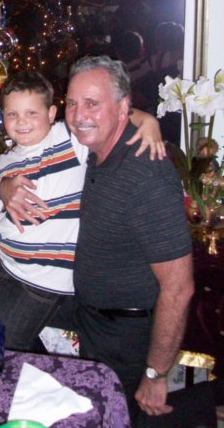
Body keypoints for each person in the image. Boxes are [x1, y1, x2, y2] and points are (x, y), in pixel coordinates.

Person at [0, 69, 165, 352]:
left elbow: (110, 119)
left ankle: (20, 374)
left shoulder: (68, 138)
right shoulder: (2, 164)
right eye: (12, 114)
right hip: (3, 253)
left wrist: (148, 121)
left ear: (52, 113)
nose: (21, 122)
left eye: (31, 113)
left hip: (44, 277)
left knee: (8, 343)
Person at [63, 56, 194, 425]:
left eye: (92, 103)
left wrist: (155, 373)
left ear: (123, 108)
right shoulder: (97, 148)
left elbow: (179, 288)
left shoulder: (144, 174)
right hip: (93, 323)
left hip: (127, 338)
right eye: (72, 102)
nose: (78, 115)